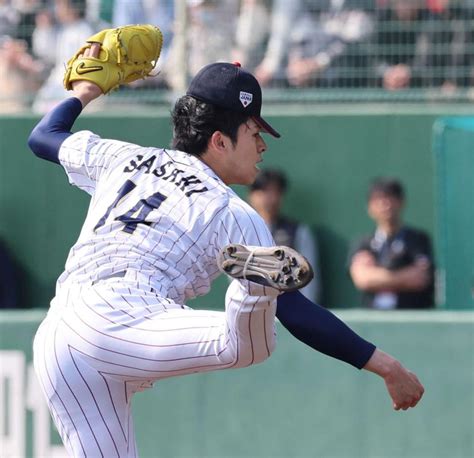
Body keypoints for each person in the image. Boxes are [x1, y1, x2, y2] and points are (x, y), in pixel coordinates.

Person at [28, 37, 424, 456]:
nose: (263, 145)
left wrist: (87, 90)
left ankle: (254, 285)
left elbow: (44, 136)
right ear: (219, 140)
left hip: (60, 333)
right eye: (253, 132)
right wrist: (386, 366)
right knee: (251, 343)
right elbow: (296, 311)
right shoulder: (229, 210)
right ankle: (251, 289)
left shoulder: (121, 157)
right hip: (125, 313)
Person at [349, 177, 435, 309]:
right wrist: (404, 276)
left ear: (401, 202)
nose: (385, 204)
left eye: (390, 197)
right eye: (378, 199)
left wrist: (375, 275)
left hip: (411, 318)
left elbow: (420, 278)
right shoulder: (363, 243)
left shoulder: (418, 239)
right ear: (369, 207)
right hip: (372, 319)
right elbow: (362, 279)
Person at [248, 168, 321, 303]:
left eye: (277, 192)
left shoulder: (298, 231)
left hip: (290, 306)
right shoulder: (244, 229)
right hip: (252, 306)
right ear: (252, 195)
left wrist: (303, 311)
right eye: (265, 191)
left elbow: (310, 277)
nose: (272, 198)